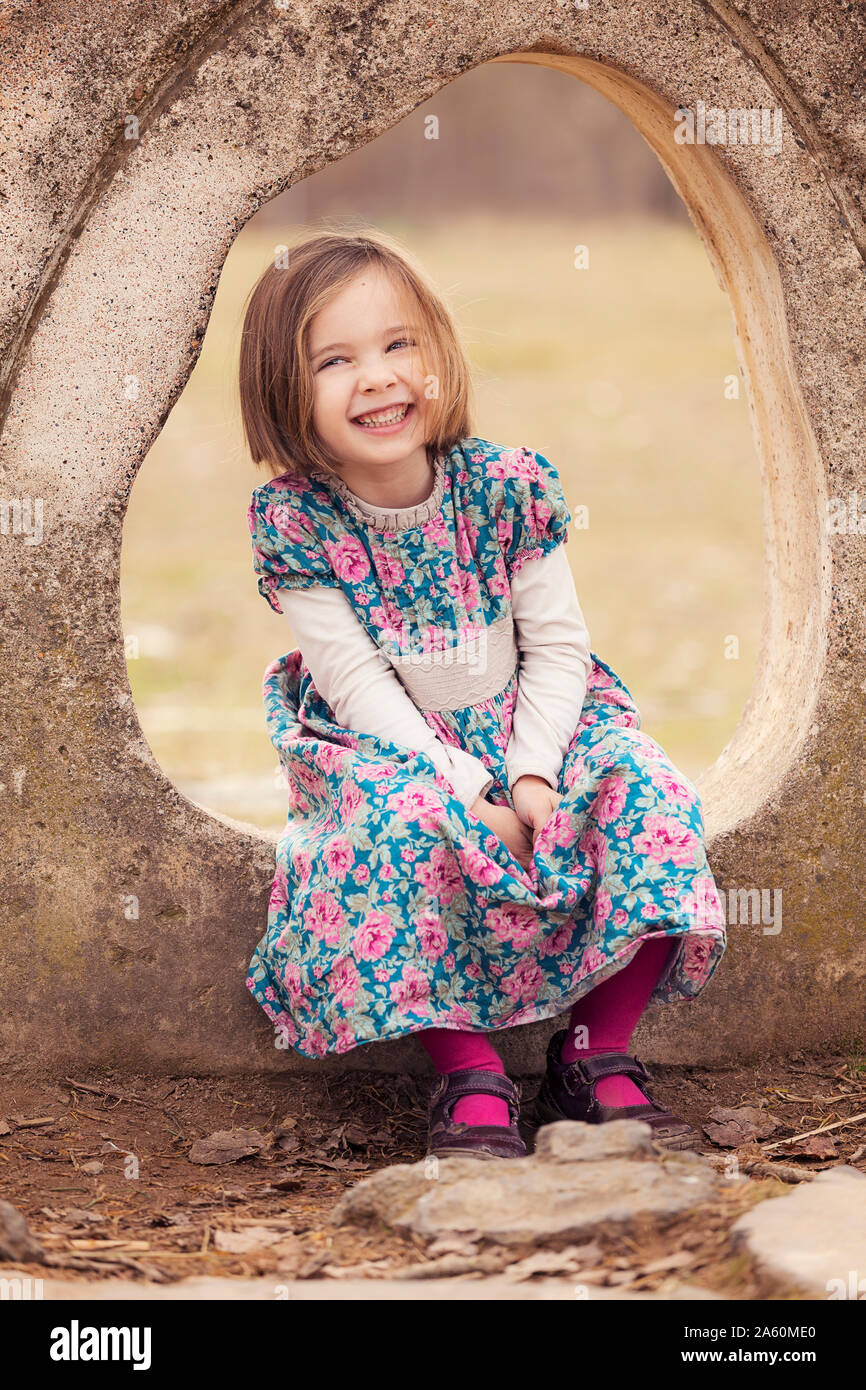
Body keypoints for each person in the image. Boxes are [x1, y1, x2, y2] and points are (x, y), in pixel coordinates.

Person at [239, 226, 726, 1160]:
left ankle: (595, 1052)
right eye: (333, 360)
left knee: (647, 789)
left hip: (537, 722)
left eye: (398, 344)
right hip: (386, 742)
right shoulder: (295, 519)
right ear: (283, 390)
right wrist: (467, 787)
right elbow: (353, 684)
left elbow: (558, 648)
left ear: (439, 351)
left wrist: (534, 776)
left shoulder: (509, 484)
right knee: (398, 824)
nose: (377, 378)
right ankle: (467, 1068)